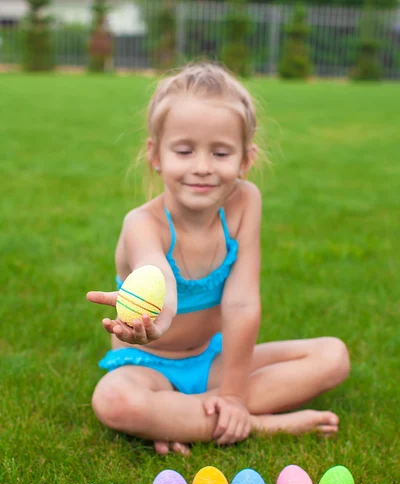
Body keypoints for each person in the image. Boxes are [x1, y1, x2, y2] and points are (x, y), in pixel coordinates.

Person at [87, 61, 350, 456]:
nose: (203, 167)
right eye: (185, 150)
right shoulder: (142, 223)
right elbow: (158, 275)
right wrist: (157, 319)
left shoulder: (245, 203)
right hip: (146, 365)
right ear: (155, 154)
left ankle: (187, 418)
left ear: (246, 159)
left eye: (221, 152)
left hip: (214, 360)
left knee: (333, 356)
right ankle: (260, 425)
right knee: (114, 400)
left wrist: (233, 392)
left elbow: (242, 303)